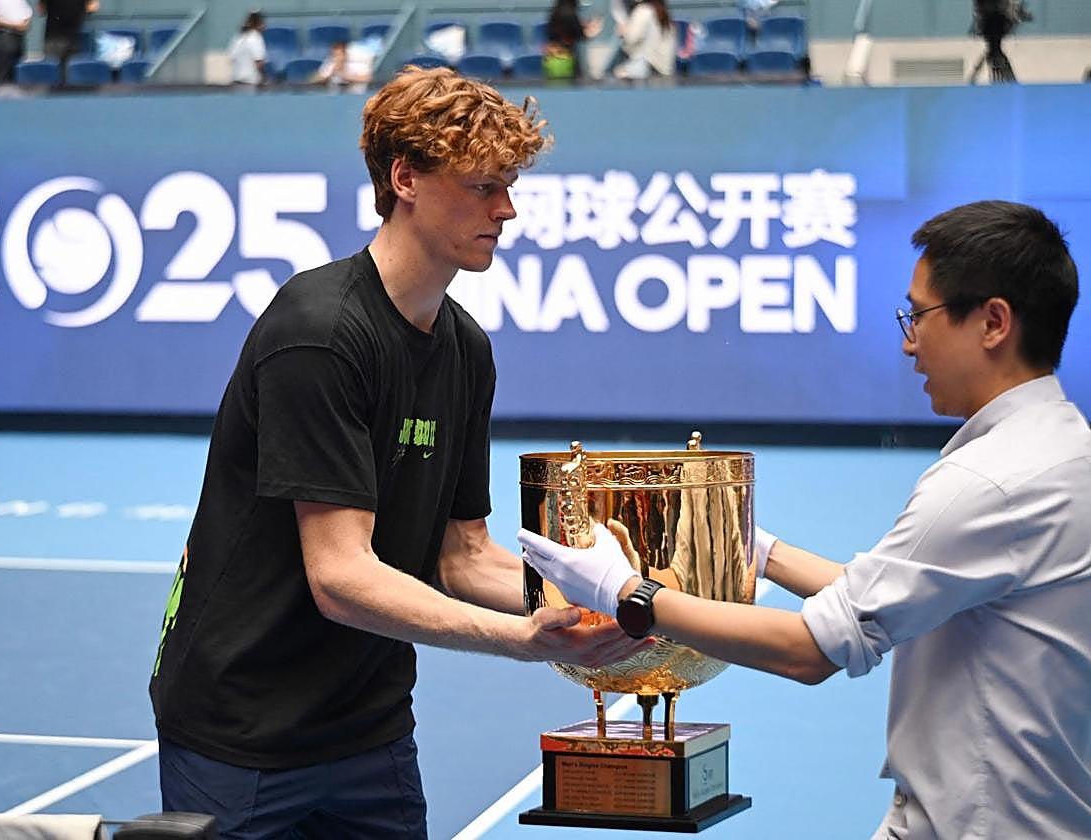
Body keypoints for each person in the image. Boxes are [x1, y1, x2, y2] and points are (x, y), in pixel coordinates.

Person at [148, 66, 647, 839]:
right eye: (483, 186)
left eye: (509, 186)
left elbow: (461, 555)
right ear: (404, 177)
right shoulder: (318, 332)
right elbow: (340, 577)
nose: (507, 210)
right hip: (238, 730)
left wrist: (594, 600)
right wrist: (521, 639)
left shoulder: (467, 350)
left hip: (369, 731)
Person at [520, 200, 1091, 839]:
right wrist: (751, 548)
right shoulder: (1061, 447)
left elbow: (814, 650)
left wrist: (623, 592)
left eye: (918, 315)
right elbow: (883, 594)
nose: (908, 341)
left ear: (992, 322)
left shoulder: (989, 482)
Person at [613, 0, 677, 80]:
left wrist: (623, 31)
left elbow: (630, 39)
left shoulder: (643, 10)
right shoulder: (663, 11)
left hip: (648, 67)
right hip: (666, 69)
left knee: (616, 71)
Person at [37, 0, 98, 82]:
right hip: (70, 37)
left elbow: (41, 10)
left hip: (57, 37)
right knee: (73, 77)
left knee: (53, 77)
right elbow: (93, 7)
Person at [544, 0, 602, 80]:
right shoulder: (570, 14)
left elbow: (568, 30)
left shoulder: (554, 12)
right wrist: (593, 31)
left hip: (552, 58)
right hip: (566, 59)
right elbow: (580, 34)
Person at [0, 0, 32, 84]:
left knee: (18, 73)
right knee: (3, 75)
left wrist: (25, 24)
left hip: (19, 37)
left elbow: (26, 13)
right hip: (4, 36)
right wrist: (15, 25)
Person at [228, 10, 267, 87]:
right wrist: (264, 79)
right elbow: (259, 62)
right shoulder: (256, 38)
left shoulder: (237, 38)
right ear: (259, 24)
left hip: (236, 82)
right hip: (250, 84)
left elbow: (231, 58)